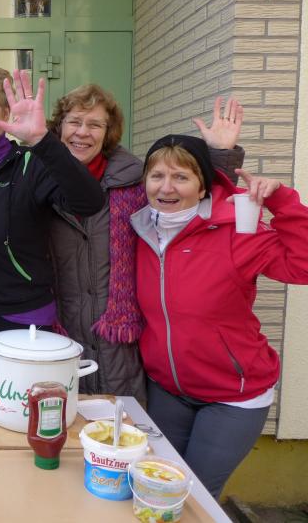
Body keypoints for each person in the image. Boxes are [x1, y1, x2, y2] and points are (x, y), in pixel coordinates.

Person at [130, 134, 308, 498]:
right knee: (155, 487)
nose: (166, 187)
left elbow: (302, 266)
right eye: (157, 175)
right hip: (167, 390)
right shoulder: (139, 232)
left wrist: (282, 202)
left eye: (181, 177)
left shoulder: (235, 231)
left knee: (195, 498)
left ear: (202, 187)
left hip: (232, 396)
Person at [47, 87, 245, 399]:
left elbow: (199, 213)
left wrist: (221, 156)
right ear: (59, 127)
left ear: (108, 132)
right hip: (58, 339)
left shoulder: (136, 181)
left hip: (122, 346)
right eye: (74, 122)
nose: (82, 133)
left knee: (121, 424)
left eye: (95, 124)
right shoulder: (36, 180)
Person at [0, 63, 105, 391]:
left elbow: (90, 202)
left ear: (6, 112)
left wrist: (42, 141)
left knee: (17, 422)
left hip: (21, 333)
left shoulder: (31, 165)